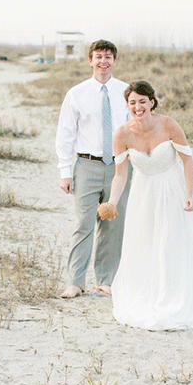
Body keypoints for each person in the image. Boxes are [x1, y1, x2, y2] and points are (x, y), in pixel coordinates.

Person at [98, 80, 193, 330]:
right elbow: (121, 174)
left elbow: (187, 160)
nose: (137, 107)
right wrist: (112, 202)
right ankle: (151, 296)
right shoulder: (122, 134)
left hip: (174, 190)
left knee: (170, 243)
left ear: (151, 102)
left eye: (142, 101)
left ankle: (175, 297)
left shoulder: (168, 124)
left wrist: (189, 193)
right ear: (128, 106)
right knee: (146, 243)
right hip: (144, 195)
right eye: (132, 103)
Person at [56, 40, 131, 298]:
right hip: (86, 166)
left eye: (108, 56)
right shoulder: (76, 94)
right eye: (98, 56)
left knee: (113, 225)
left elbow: (134, 129)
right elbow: (65, 135)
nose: (103, 61)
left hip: (118, 168)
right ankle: (75, 281)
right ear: (90, 60)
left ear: (115, 61)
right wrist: (65, 171)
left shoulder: (125, 92)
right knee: (84, 223)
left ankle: (105, 279)